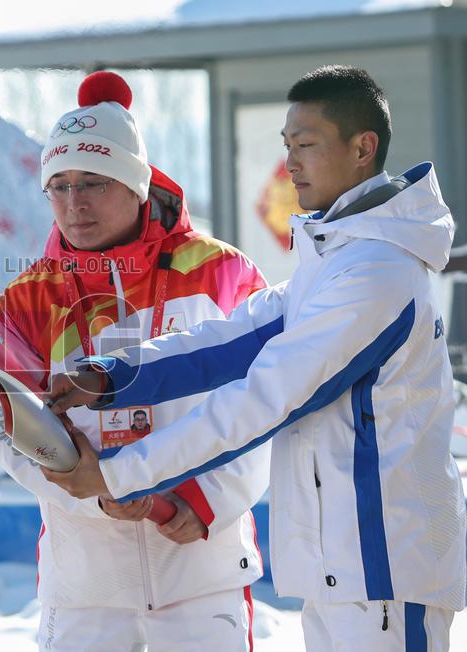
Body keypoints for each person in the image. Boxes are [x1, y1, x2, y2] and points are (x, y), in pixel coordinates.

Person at [45, 65, 467, 651]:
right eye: (286, 145)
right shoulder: (338, 260)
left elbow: (268, 398)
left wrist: (119, 471)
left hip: (386, 570)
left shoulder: (379, 271)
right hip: (345, 570)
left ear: (363, 148)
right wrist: (110, 377)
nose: (291, 164)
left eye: (308, 145)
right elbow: (231, 339)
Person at [0, 71, 269, 651]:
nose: (74, 203)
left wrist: (208, 499)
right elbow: (4, 426)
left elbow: (266, 397)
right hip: (86, 588)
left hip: (202, 571)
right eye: (57, 186)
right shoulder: (26, 297)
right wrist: (95, 491)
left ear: (137, 185)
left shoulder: (219, 271)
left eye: (93, 182)